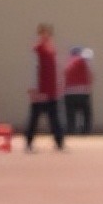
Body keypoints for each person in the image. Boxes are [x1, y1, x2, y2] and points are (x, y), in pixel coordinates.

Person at [25, 23, 64, 151]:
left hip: (51, 90)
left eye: (47, 33)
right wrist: (33, 87)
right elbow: (33, 68)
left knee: (54, 118)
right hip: (40, 90)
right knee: (34, 117)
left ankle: (59, 142)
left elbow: (56, 70)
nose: (45, 35)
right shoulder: (37, 49)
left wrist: (59, 86)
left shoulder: (52, 50)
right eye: (42, 33)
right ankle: (29, 142)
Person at [63, 45, 95, 135]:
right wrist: (89, 87)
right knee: (86, 113)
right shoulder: (84, 61)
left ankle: (71, 129)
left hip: (69, 92)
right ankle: (86, 130)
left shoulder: (68, 62)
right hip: (83, 92)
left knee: (70, 113)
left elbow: (64, 75)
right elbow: (90, 74)